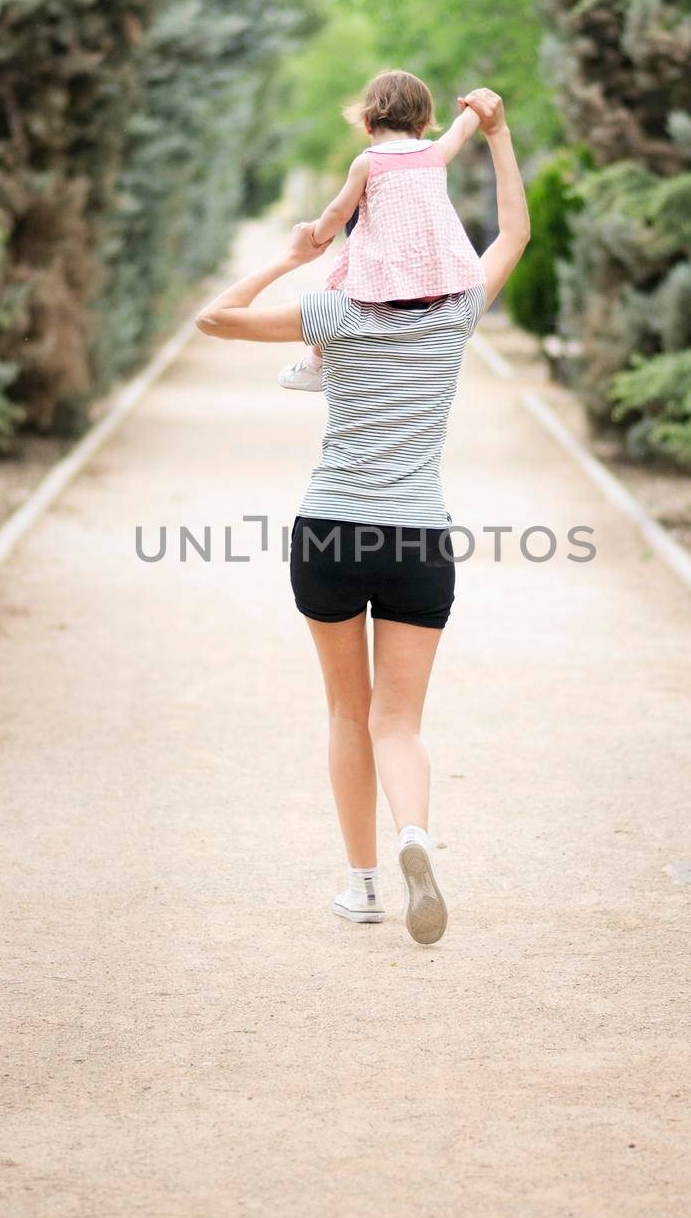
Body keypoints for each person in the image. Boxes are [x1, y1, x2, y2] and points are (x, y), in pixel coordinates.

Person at [196, 88, 530, 945]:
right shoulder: (457, 314)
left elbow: (215, 319)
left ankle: (363, 886)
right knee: (400, 722)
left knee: (347, 714)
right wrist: (496, 137)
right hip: (419, 538)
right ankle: (416, 834)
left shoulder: (333, 314)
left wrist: (291, 253)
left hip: (330, 534)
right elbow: (514, 236)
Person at [277, 68, 484, 393]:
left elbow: (339, 210)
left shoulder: (369, 162)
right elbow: (461, 132)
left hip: (386, 282)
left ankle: (316, 364)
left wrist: (315, 235)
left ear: (368, 124)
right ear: (422, 124)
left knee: (337, 287)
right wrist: (476, 106)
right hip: (438, 279)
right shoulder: (434, 153)